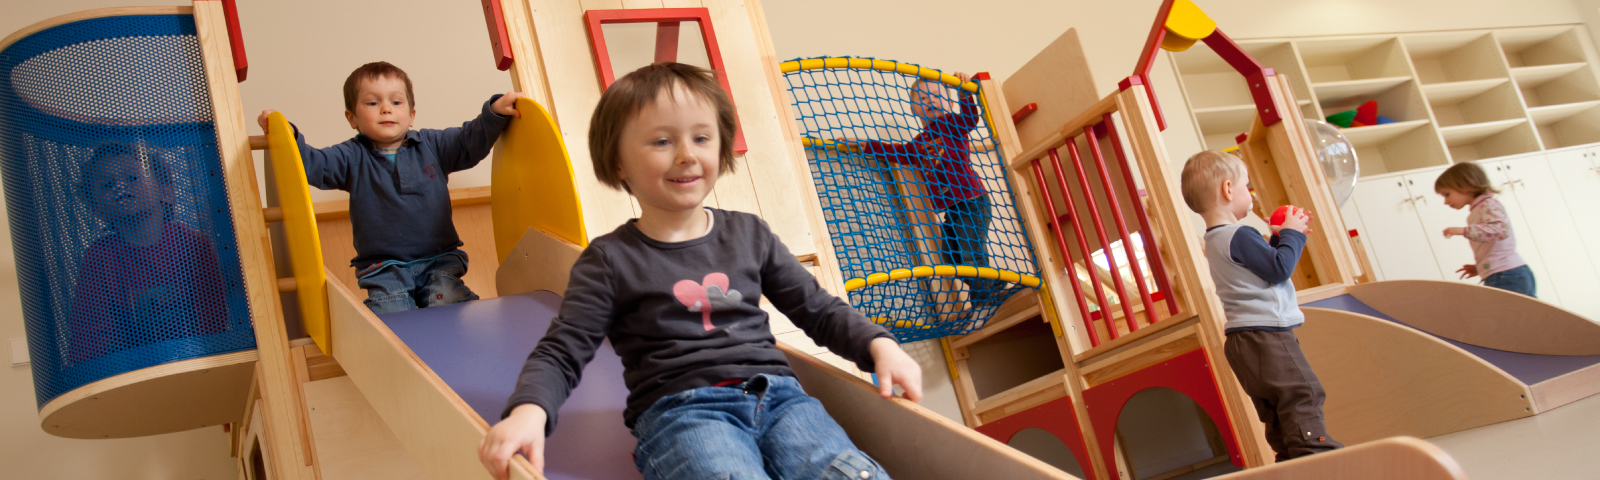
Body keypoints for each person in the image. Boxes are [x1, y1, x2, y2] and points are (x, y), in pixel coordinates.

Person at [478, 63, 923, 480]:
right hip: (684, 412)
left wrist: (877, 343)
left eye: (701, 138)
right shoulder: (610, 259)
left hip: (782, 399)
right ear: (618, 162)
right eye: (661, 141)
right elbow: (564, 348)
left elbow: (816, 308)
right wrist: (529, 411)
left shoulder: (749, 234)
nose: (687, 155)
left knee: (842, 469)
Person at [257, 61, 525, 314]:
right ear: (352, 118)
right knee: (391, 316)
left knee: (449, 304)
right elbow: (313, 165)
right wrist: (286, 135)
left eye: (396, 102)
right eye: (373, 103)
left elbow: (470, 140)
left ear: (411, 115)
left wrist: (494, 112)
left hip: (439, 262)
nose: (386, 109)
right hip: (384, 269)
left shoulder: (433, 144)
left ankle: (456, 353)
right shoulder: (350, 157)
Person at [1180, 150, 1342, 461]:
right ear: (1228, 190)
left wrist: (1279, 238)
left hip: (1242, 342)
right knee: (1302, 392)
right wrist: (1292, 235)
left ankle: (1288, 458)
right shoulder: (1240, 234)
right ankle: (1318, 454)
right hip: (1267, 335)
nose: (1250, 193)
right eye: (1247, 186)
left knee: (1275, 408)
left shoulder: (1216, 239)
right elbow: (1280, 268)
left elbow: (1260, 265)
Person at [838, 72, 999, 304]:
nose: (930, 101)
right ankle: (993, 285)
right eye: (922, 99)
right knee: (951, 258)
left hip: (972, 201)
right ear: (914, 109)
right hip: (952, 209)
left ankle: (983, 299)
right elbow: (898, 153)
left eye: (936, 96)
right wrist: (864, 144)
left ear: (950, 103)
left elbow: (970, 117)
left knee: (970, 251)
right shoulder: (919, 141)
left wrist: (964, 90)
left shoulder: (952, 124)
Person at [69, 141, 229, 363]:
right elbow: (89, 332)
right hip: (134, 369)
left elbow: (214, 308)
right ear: (96, 209)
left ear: (166, 191)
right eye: (107, 184)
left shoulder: (193, 244)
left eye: (133, 178)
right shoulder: (99, 258)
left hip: (198, 359)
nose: (120, 187)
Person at [1436, 162, 1535, 297]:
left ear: (1467, 186)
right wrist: (1480, 267)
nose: (1445, 202)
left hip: (1506, 274)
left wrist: (1464, 231)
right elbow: (1493, 247)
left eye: (1447, 194)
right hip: (1504, 273)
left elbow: (1501, 230)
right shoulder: (1479, 209)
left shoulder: (1487, 205)